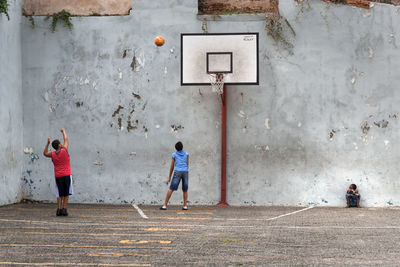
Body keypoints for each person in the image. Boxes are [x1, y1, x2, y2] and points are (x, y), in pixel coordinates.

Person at [43, 128, 73, 216]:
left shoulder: (52, 154)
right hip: (67, 174)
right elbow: (66, 140)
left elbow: (44, 153)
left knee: (59, 193)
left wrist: (47, 144)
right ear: (60, 144)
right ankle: (64, 209)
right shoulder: (64, 151)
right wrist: (63, 131)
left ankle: (58, 209)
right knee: (66, 193)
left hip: (58, 176)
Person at [160, 141, 189, 210]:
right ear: (182, 147)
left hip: (177, 172)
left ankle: (165, 205)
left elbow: (172, 166)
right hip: (185, 172)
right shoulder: (187, 154)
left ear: (176, 148)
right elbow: (187, 164)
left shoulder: (174, 155)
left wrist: (169, 177)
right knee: (185, 189)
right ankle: (185, 206)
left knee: (171, 188)